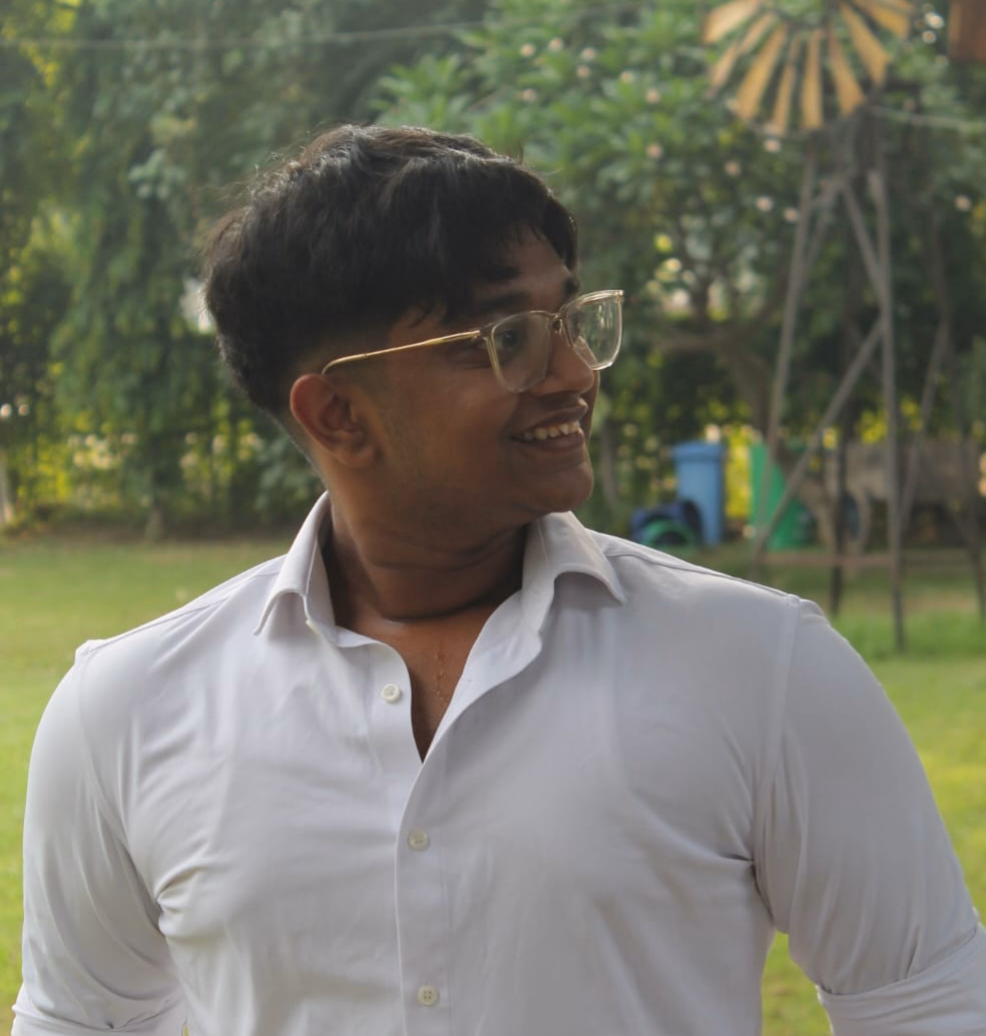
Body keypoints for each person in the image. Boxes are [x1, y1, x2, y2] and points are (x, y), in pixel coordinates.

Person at [14, 125, 986, 1036]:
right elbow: (82, 1018)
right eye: (508, 339)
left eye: (570, 320)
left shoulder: (761, 668)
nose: (573, 373)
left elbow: (931, 1005)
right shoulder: (126, 713)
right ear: (337, 414)